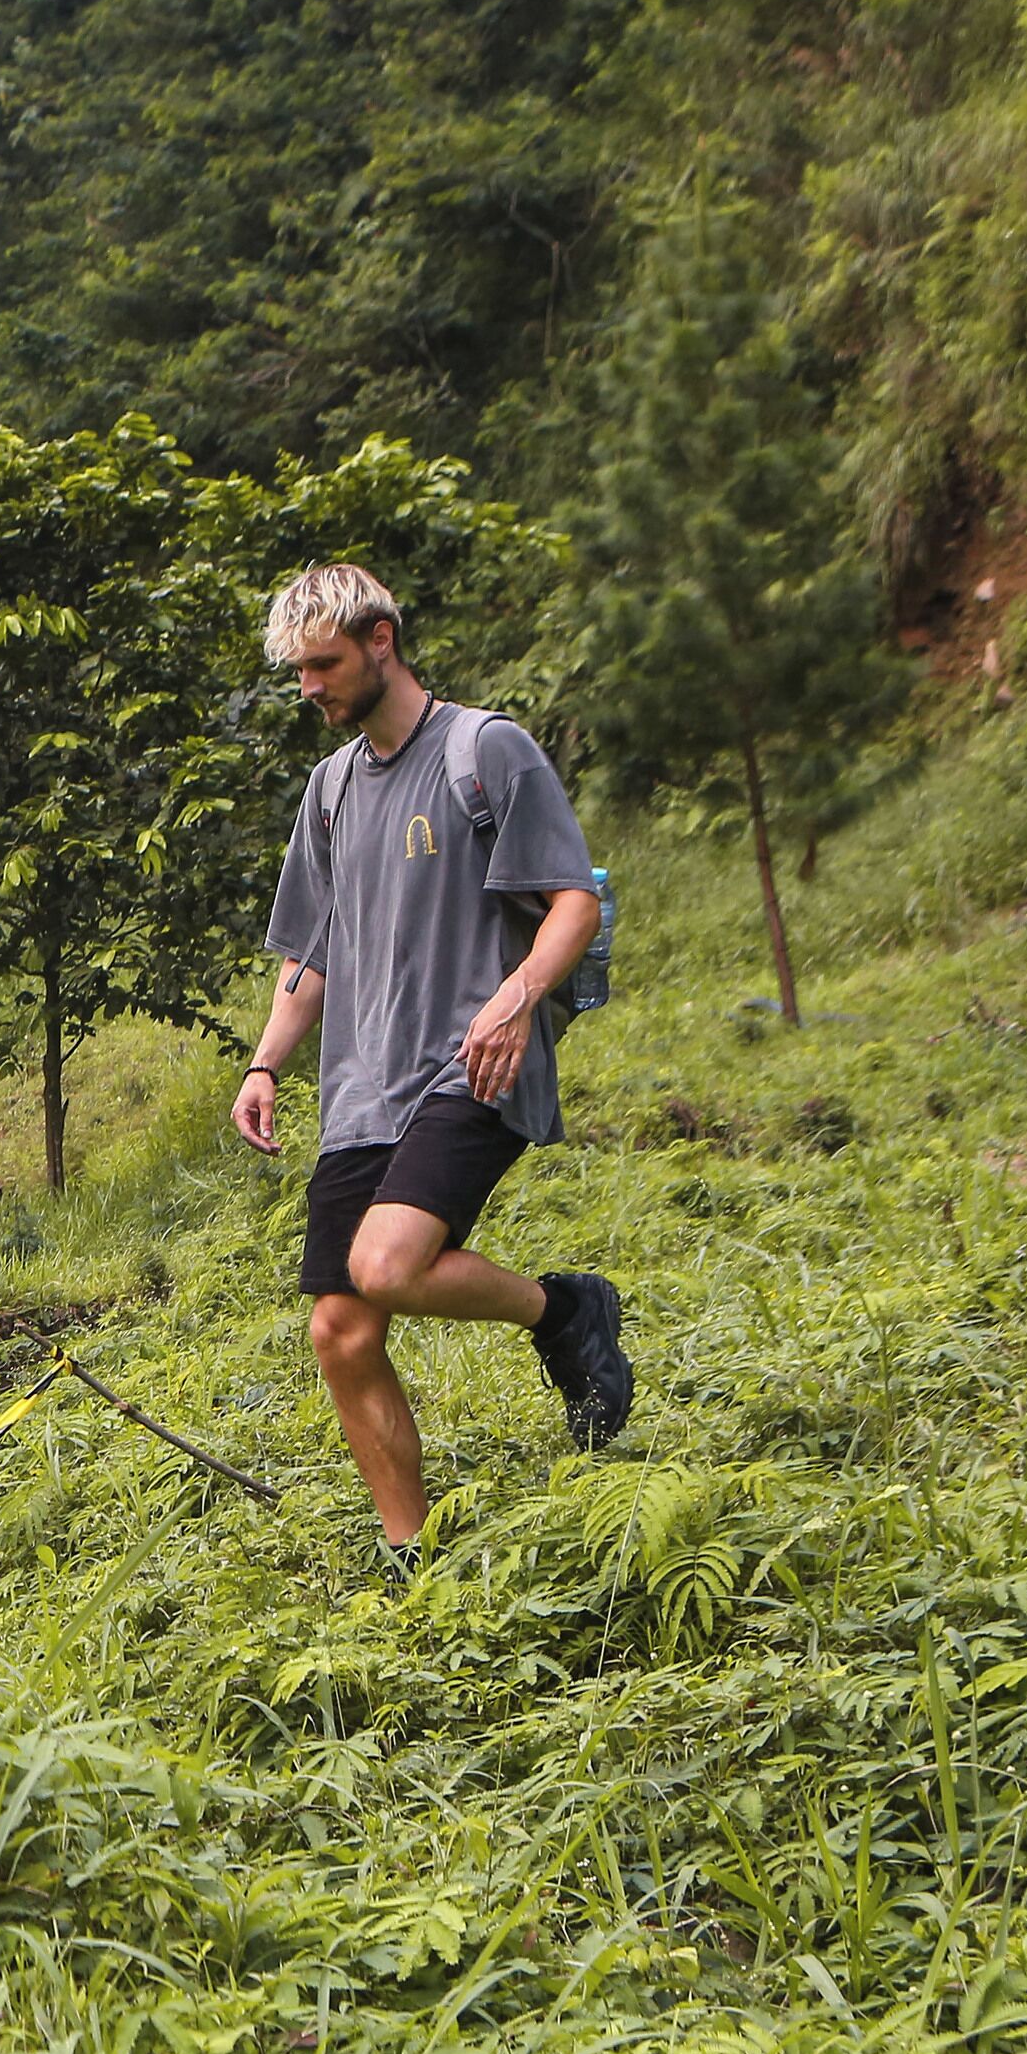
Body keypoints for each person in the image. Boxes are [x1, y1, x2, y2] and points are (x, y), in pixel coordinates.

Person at [232, 564, 636, 1558]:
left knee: (385, 1264)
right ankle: (411, 1554)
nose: (309, 688)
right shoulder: (327, 792)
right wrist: (266, 1063)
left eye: (323, 664)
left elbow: (573, 901)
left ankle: (560, 1315)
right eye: (297, 671)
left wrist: (517, 996)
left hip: (472, 1064)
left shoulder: (482, 750)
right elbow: (312, 951)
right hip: (363, 1084)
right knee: (341, 1328)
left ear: (381, 640)